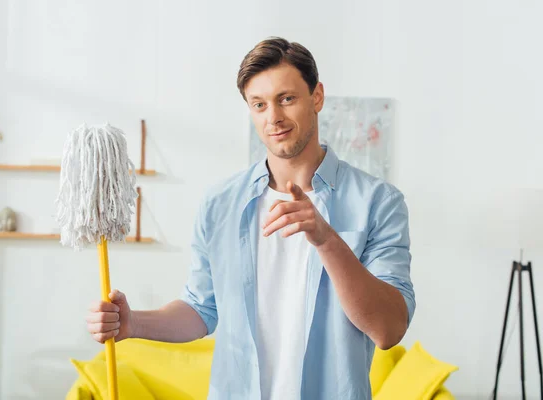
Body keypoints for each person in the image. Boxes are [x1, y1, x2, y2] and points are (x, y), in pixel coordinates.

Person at [86, 37, 415, 400]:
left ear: (317, 96)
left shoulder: (379, 202)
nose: (273, 117)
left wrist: (327, 240)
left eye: (286, 99)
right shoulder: (220, 203)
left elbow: (389, 330)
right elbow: (200, 308)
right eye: (259, 104)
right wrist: (133, 323)